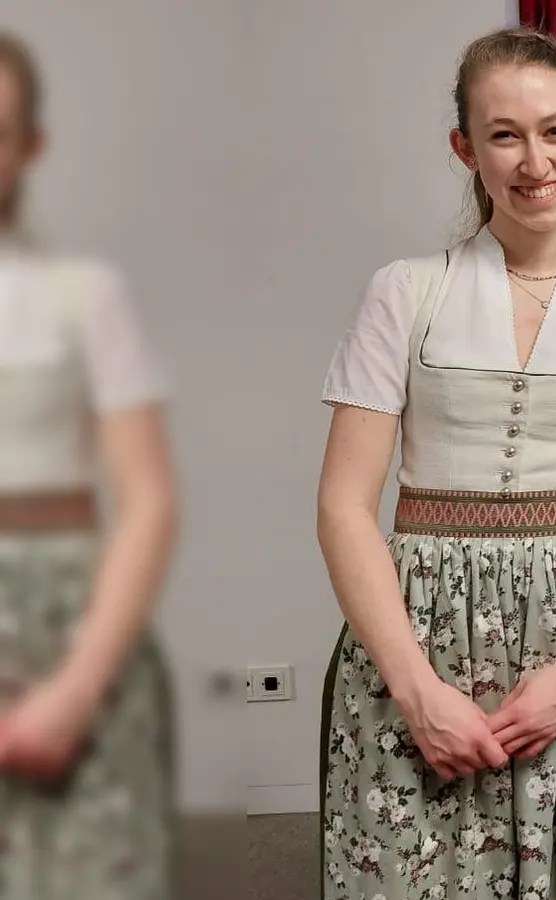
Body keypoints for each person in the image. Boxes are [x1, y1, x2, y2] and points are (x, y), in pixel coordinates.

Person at [316, 26, 556, 899]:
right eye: (504, 135)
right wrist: (416, 691)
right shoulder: (405, 292)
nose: (535, 161)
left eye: (555, 130)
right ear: (466, 149)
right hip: (415, 641)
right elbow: (342, 506)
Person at [0, 29, 179, 900]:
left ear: (30, 146)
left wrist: (74, 690)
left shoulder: (84, 295)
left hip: (75, 641)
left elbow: (148, 502)